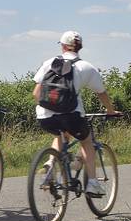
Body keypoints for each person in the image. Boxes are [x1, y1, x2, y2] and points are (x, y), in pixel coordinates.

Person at [32, 30, 120, 196]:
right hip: (72, 115)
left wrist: (51, 107)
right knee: (86, 141)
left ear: (63, 46)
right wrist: (110, 111)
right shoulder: (86, 67)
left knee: (60, 135)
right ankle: (93, 184)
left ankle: (51, 163)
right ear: (79, 47)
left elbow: (36, 93)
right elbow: (101, 93)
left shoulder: (50, 62)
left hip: (45, 116)